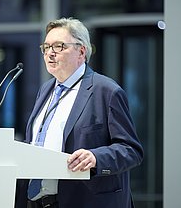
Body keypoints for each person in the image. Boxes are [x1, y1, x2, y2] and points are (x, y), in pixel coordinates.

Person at [16, 17, 143, 208]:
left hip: (84, 200)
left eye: (59, 46)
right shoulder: (46, 90)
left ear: (81, 51)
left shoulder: (106, 91)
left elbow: (131, 150)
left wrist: (96, 157)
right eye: (46, 47)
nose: (50, 53)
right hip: (37, 202)